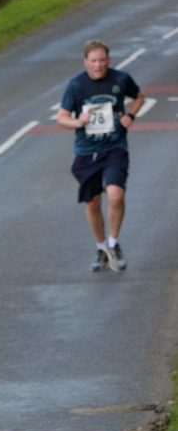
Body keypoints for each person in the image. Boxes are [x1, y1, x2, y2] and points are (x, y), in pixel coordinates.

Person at [57, 40, 145, 273]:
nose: (98, 65)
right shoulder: (76, 86)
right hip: (86, 152)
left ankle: (114, 244)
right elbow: (62, 117)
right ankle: (101, 248)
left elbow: (139, 97)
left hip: (115, 147)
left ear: (109, 60)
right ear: (85, 62)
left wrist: (130, 116)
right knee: (93, 202)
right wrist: (79, 121)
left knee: (115, 195)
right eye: (93, 61)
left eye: (102, 60)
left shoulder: (120, 79)